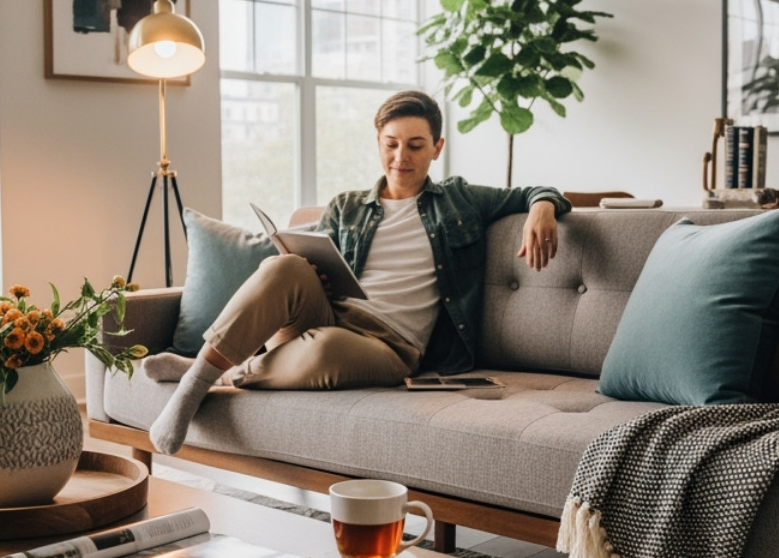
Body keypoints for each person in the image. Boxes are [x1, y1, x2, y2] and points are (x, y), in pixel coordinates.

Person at [144, 89, 571, 455]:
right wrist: (314, 274)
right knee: (284, 265)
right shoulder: (346, 206)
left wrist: (542, 208)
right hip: (328, 317)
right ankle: (199, 377)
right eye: (391, 144)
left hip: (390, 347)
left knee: (327, 348)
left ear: (437, 147)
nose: (401, 157)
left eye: (416, 145)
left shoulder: (460, 200)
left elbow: (540, 190)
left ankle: (205, 374)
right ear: (378, 142)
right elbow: (316, 271)